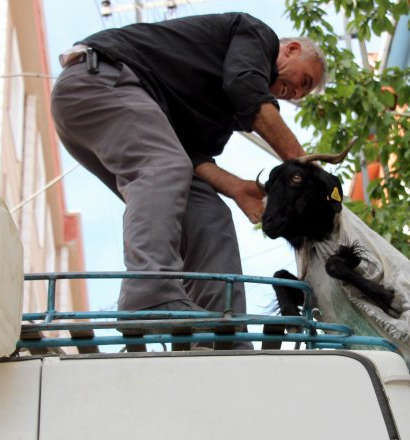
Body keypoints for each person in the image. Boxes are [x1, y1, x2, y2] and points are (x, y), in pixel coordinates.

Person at [50, 12, 325, 346]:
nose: (295, 93)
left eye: (301, 93)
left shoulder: (220, 115)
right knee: (162, 165)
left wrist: (236, 188)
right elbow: (245, 87)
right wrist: (306, 169)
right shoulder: (255, 34)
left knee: (208, 213)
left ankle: (222, 334)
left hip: (108, 103)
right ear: (291, 49)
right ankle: (149, 291)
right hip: (101, 81)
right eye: (304, 81)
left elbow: (192, 161)